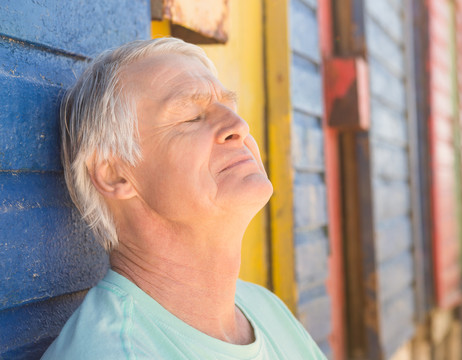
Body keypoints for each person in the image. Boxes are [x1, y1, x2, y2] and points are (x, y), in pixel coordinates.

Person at [41, 37, 326, 359]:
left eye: (230, 109)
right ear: (114, 174)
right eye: (191, 116)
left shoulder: (264, 308)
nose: (239, 126)